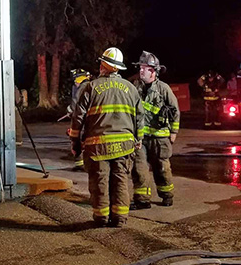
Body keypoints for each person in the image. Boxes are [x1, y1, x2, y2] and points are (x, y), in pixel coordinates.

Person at [69, 47, 144, 228]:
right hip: (125, 146)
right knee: (120, 180)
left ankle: (101, 217)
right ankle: (120, 218)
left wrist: (75, 142)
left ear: (103, 65)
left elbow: (78, 118)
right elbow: (139, 117)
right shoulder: (131, 88)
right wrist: (138, 139)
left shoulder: (91, 87)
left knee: (99, 181)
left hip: (98, 145)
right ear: (118, 68)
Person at [131, 51, 180, 208]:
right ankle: (142, 200)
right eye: (140, 68)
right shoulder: (134, 86)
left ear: (153, 71)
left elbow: (175, 110)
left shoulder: (163, 89)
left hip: (160, 137)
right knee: (139, 168)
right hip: (140, 137)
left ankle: (167, 196)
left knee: (162, 168)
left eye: (144, 68)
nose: (141, 71)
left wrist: (173, 132)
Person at [66, 69, 92, 169]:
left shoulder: (82, 87)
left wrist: (70, 110)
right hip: (91, 119)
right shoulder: (92, 86)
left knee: (77, 139)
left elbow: (76, 104)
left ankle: (80, 164)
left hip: (82, 119)